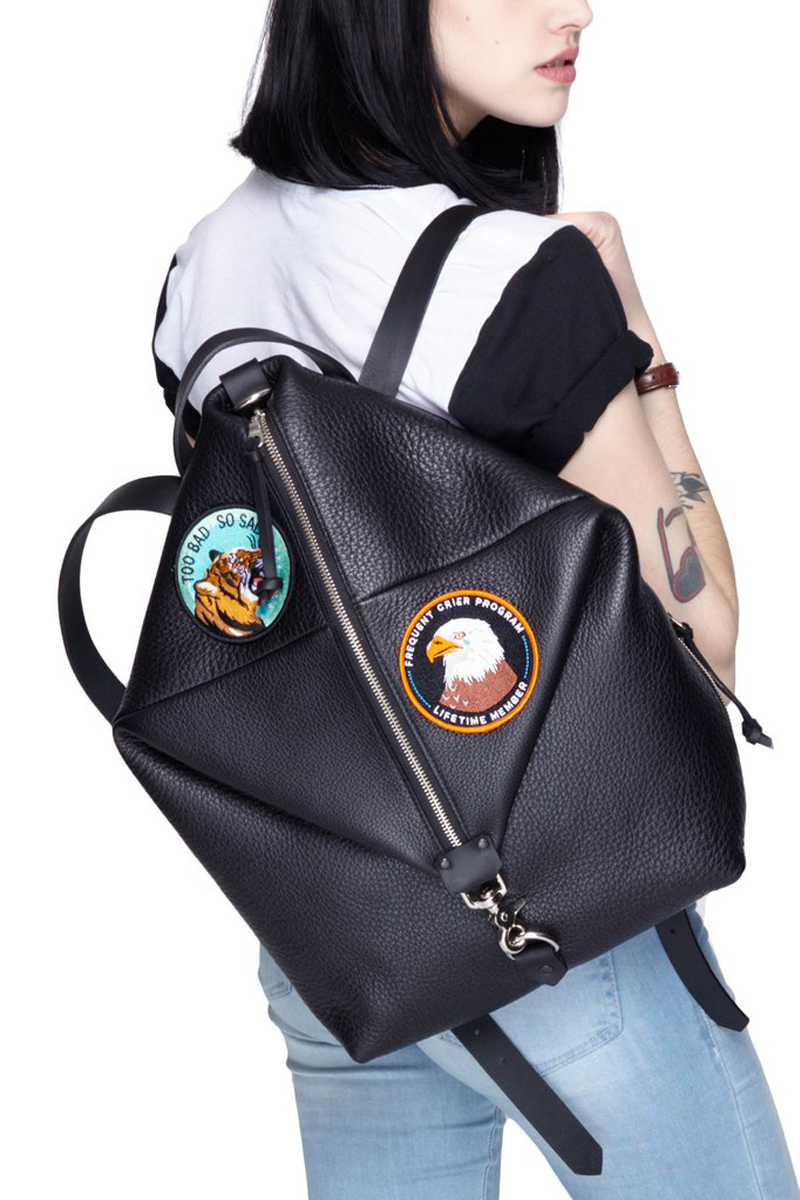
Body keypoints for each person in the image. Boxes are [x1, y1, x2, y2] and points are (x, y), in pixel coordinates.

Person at [151, 1, 798, 1195]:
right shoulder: (514, 276)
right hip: (560, 934)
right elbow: (700, 637)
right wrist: (634, 332)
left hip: (334, 930)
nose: (573, 10)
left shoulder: (207, 256)